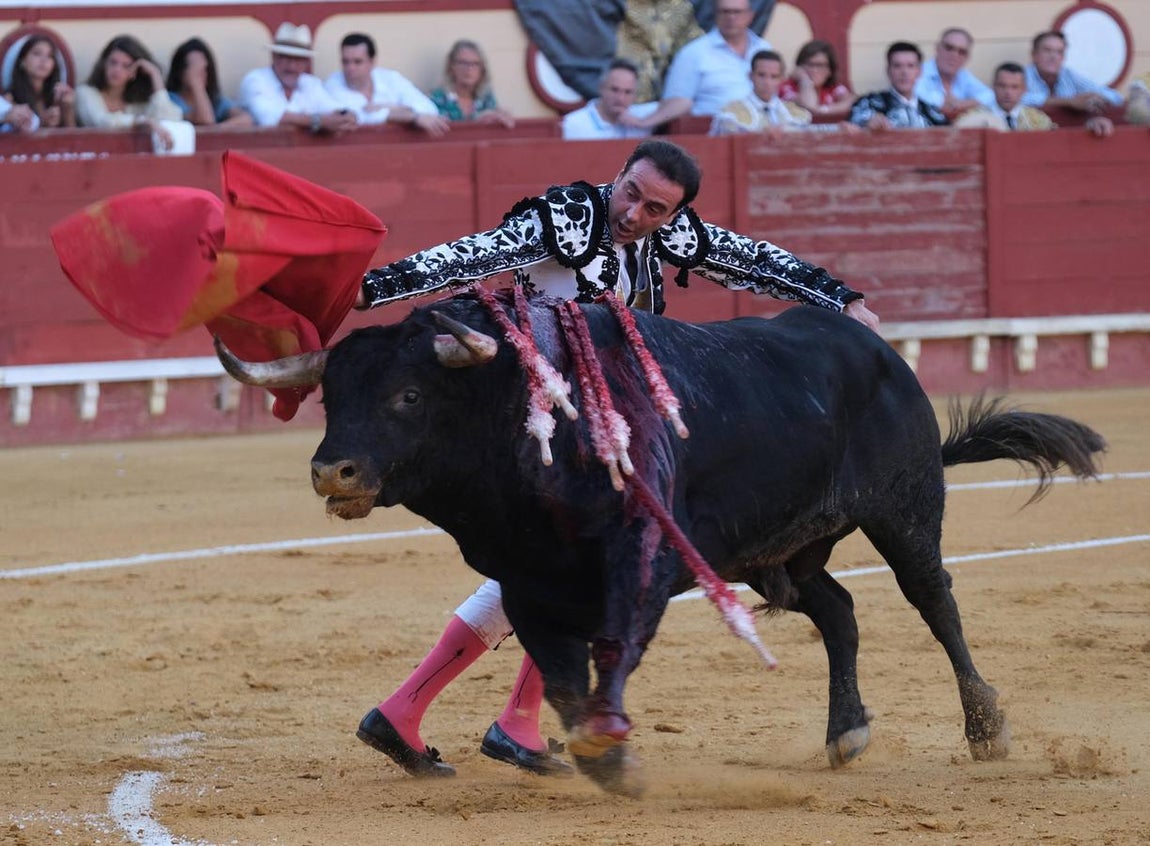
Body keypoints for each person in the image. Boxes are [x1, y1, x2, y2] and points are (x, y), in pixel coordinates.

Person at [352, 138, 880, 779]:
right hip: (534, 427)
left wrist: (840, 300)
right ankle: (425, 712)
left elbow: (752, 262)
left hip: (602, 430)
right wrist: (375, 287)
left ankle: (491, 719)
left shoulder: (668, 233)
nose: (634, 214)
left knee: (579, 570)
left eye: (655, 208)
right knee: (560, 570)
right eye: (631, 193)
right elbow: (468, 257)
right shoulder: (564, 217)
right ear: (619, 176)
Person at [620, 0, 770, 130]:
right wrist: (644, 122)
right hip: (713, 135)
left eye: (737, 12)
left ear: (750, 16)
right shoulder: (694, 53)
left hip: (765, 131)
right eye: (725, 12)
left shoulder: (764, 48)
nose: (731, 18)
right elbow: (678, 101)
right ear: (716, 15)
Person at [239, 22, 357, 134]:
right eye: (286, 58)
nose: (292, 66)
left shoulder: (311, 84)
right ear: (274, 57)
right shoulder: (256, 80)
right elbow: (270, 117)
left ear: (306, 62)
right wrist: (319, 121)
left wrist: (345, 116)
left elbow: (338, 110)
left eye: (298, 59)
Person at [324, 32, 449, 136]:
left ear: (372, 62)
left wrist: (392, 107)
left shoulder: (390, 78)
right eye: (345, 62)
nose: (350, 68)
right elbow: (360, 117)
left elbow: (428, 108)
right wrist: (413, 117)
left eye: (357, 62)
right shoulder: (333, 84)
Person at [956, 61, 1114, 138]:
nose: (1007, 92)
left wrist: (1089, 125)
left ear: (1024, 90)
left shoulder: (1037, 119)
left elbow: (1061, 140)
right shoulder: (974, 116)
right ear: (993, 87)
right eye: (1002, 86)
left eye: (1014, 87)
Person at [75, 34, 183, 145]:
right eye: (113, 62)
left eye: (126, 66)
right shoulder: (85, 93)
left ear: (135, 71)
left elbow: (170, 120)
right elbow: (102, 122)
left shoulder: (137, 102)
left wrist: (154, 74)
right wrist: (142, 122)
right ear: (104, 64)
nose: (117, 70)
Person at [711, 49, 815, 135]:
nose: (767, 82)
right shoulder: (730, 113)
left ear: (782, 79)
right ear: (751, 76)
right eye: (761, 75)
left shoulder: (797, 114)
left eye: (774, 77)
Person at [849, 42, 949, 130]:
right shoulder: (869, 103)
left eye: (910, 66)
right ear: (888, 70)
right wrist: (867, 123)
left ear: (919, 71)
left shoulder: (933, 113)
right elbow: (852, 125)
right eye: (897, 66)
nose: (904, 72)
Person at [1023, 31, 1123, 113]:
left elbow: (1115, 97)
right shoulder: (1022, 76)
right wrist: (1069, 102)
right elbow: (1019, 99)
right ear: (1034, 55)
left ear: (1063, 58)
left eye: (1059, 52)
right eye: (1047, 50)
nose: (1053, 56)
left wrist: (1096, 97)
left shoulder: (1068, 74)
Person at [561, 58, 656, 140]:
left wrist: (642, 123)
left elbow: (670, 107)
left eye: (628, 92)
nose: (620, 98)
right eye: (614, 90)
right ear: (601, 88)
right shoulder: (574, 124)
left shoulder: (641, 115)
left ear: (635, 95)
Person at [165, 38, 252, 128]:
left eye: (204, 69)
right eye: (195, 69)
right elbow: (205, 121)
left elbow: (246, 119)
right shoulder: (170, 100)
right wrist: (196, 85)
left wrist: (219, 128)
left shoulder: (216, 100)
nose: (200, 74)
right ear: (181, 72)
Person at [429, 39, 515, 128]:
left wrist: (501, 116)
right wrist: (477, 121)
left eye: (475, 64)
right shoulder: (437, 98)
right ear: (451, 67)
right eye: (463, 63)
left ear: (482, 70)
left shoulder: (486, 98)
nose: (469, 69)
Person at [913, 27, 994, 120]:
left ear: (967, 58)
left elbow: (989, 95)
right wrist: (945, 102)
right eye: (949, 48)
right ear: (937, 48)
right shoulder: (919, 71)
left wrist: (962, 104)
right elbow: (917, 95)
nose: (954, 55)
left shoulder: (963, 75)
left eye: (961, 52)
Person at [4, 34, 75, 128]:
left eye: (50, 56)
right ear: (22, 61)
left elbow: (73, 138)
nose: (44, 60)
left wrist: (67, 109)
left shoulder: (58, 96)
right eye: (37, 54)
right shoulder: (10, 98)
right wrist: (42, 123)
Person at [779, 39, 854, 120]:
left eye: (820, 65)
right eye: (809, 64)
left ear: (830, 70)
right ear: (799, 67)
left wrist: (822, 110)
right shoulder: (787, 87)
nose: (814, 70)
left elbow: (851, 101)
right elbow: (809, 105)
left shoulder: (833, 88)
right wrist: (805, 81)